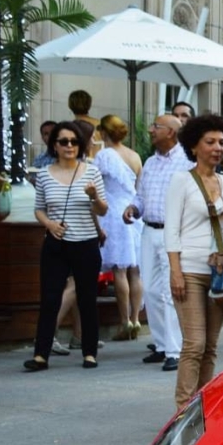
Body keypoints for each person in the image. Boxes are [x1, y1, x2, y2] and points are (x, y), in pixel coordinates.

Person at [165, 113, 223, 412]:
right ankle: (182, 411)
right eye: (210, 142)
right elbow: (171, 230)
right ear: (194, 146)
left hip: (220, 274)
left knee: (210, 347)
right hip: (189, 270)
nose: (218, 147)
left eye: (222, 142)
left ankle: (203, 409)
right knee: (194, 344)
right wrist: (175, 272)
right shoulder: (181, 181)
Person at [25, 122, 108, 370]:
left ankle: (89, 352)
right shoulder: (44, 174)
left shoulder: (92, 172)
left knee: (86, 298)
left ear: (80, 145)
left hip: (86, 242)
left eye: (74, 141)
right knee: (50, 298)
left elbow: (103, 209)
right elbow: (39, 209)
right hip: (56, 243)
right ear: (54, 145)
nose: (69, 146)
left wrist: (94, 196)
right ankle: (41, 354)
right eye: (63, 141)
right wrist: (49, 224)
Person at [125, 114, 189, 370]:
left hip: (173, 233)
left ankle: (176, 349)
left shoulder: (186, 162)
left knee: (170, 292)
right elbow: (141, 196)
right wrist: (133, 207)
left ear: (171, 132)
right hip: (148, 231)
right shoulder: (150, 162)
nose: (150, 130)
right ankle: (162, 345)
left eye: (156, 126)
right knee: (150, 290)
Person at [95, 113, 145, 340]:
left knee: (120, 270)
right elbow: (139, 185)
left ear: (104, 132)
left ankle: (124, 321)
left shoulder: (105, 155)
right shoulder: (134, 155)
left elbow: (94, 183)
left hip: (114, 213)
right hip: (134, 212)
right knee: (135, 269)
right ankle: (136, 319)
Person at [68, 90, 101, 160]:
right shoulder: (100, 124)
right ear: (89, 104)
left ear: (70, 105)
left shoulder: (69, 128)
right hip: (99, 163)